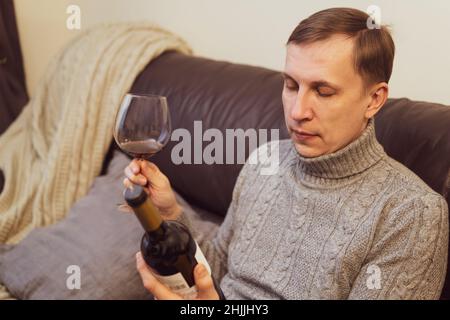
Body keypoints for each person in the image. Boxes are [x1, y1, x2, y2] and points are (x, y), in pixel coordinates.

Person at [123, 7, 448, 299]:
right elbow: (218, 268)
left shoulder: (412, 214)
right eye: (291, 85)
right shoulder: (264, 161)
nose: (297, 111)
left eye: (322, 91)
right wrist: (169, 215)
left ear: (374, 100)